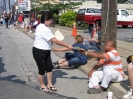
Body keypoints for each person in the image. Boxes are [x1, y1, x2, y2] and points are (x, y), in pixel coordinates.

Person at [32, 11, 72, 93]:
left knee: (49, 67)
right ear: (46, 20)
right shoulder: (43, 28)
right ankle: (42, 85)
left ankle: (49, 84)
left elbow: (50, 40)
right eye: (51, 21)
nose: (51, 22)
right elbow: (55, 40)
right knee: (42, 69)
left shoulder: (44, 27)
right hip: (39, 51)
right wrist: (67, 45)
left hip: (46, 50)